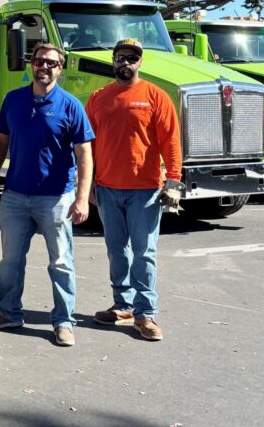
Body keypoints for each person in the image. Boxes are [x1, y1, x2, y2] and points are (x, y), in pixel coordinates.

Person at [0, 42, 94, 347]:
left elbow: (84, 154)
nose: (44, 66)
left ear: (60, 68)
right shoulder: (13, 100)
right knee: (10, 261)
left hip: (56, 199)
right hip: (15, 196)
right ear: (31, 64)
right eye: (39, 61)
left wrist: (82, 197)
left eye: (51, 63)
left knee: (61, 263)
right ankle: (9, 313)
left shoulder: (71, 105)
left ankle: (63, 321)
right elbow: (0, 143)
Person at [85, 38, 181, 341]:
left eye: (131, 58)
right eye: (120, 57)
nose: (125, 62)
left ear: (140, 62)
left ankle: (145, 313)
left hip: (145, 191)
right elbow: (87, 144)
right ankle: (123, 305)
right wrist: (87, 183)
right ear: (113, 61)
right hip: (107, 189)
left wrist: (174, 180)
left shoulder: (155, 96)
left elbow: (171, 140)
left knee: (144, 253)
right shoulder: (99, 98)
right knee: (117, 251)